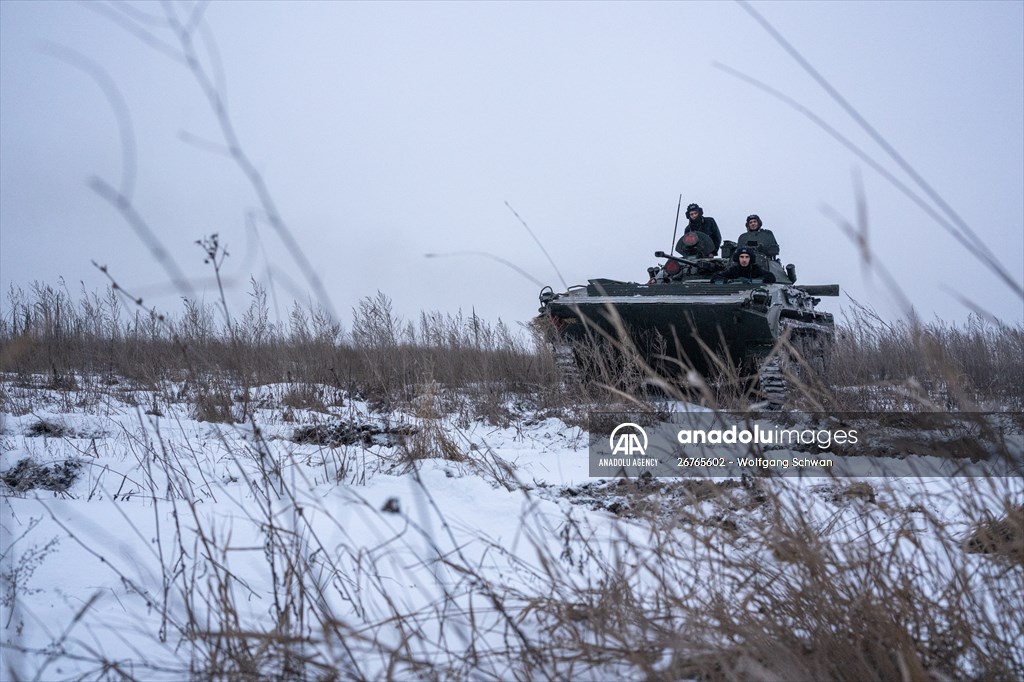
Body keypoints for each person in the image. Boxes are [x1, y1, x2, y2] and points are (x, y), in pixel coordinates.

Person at [710, 246, 776, 283]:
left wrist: (752, 281)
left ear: (751, 259)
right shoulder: (734, 270)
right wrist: (730, 281)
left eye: (747, 257)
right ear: (738, 258)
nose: (744, 260)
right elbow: (715, 277)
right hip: (735, 293)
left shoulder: (755, 269)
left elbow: (771, 277)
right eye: (741, 257)